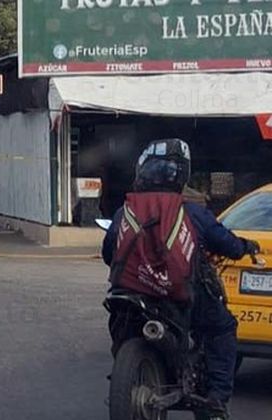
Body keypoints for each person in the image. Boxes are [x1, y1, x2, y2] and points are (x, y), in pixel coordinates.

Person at [102, 139, 259, 420]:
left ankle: (135, 372)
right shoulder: (192, 212)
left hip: (129, 295)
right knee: (222, 328)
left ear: (142, 172)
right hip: (179, 295)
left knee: (121, 322)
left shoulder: (124, 211)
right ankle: (217, 401)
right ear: (181, 176)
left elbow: (108, 253)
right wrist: (246, 246)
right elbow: (228, 245)